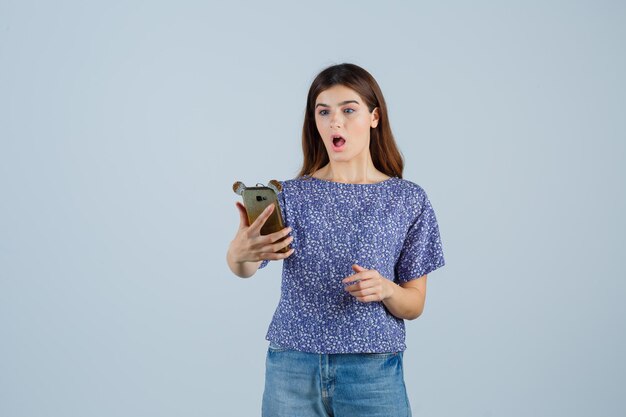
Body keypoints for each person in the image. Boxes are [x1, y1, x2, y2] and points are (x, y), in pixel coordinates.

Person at [226, 63, 445, 417]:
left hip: (372, 371)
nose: (334, 122)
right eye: (323, 112)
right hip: (292, 367)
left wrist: (387, 289)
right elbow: (248, 265)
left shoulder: (408, 200)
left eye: (348, 110)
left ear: (375, 117)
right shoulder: (290, 195)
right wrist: (237, 255)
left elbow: (414, 304)